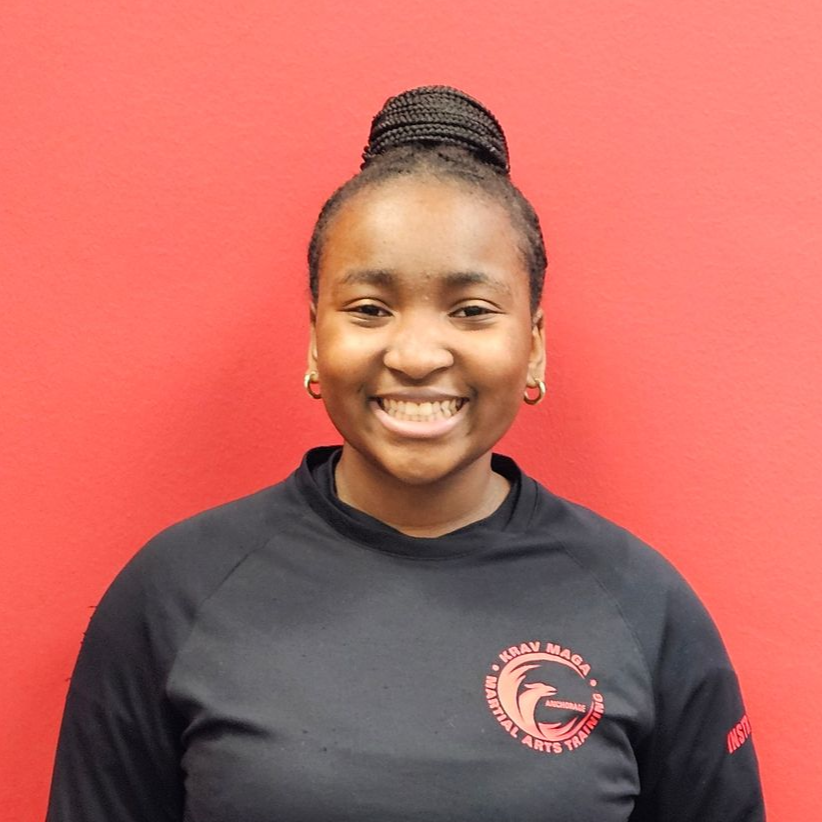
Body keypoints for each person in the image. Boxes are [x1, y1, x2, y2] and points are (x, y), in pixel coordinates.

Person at [46, 86, 765, 821]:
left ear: (535, 345)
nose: (417, 354)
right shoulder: (174, 594)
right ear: (315, 339)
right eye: (369, 309)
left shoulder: (644, 607)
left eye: (471, 311)